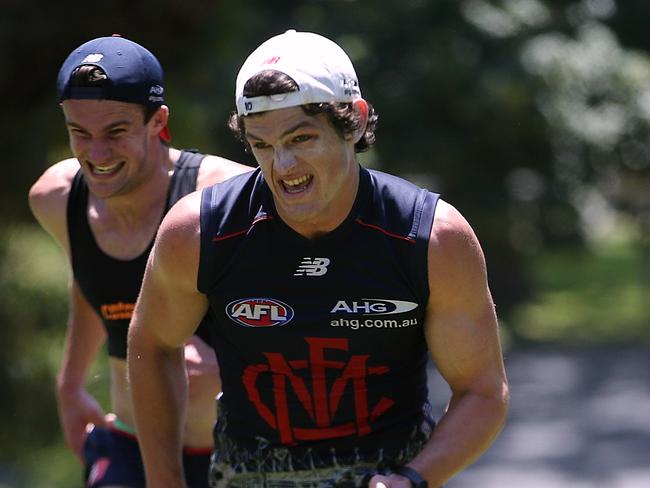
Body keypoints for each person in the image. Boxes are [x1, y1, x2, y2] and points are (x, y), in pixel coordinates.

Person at [128, 29, 509, 488]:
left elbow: (483, 392)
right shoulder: (198, 232)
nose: (282, 166)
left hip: (386, 475)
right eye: (262, 145)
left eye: (301, 138)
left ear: (354, 122)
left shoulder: (430, 238)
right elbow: (151, 346)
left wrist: (413, 479)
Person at [28, 35, 251, 488]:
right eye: (80, 134)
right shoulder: (56, 200)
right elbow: (91, 282)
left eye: (116, 132)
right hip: (129, 445)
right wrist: (70, 386)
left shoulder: (224, 198)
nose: (98, 154)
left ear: (158, 121)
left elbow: (295, 315)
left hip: (239, 452)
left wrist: (226, 362)